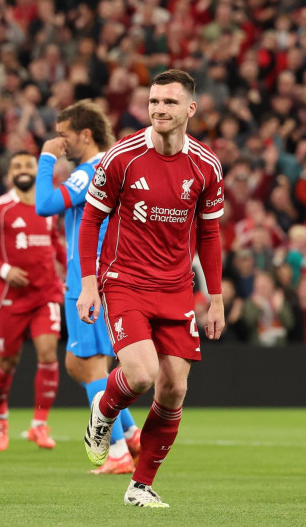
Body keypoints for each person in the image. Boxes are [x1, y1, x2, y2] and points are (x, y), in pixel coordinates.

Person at [77, 70, 225, 507]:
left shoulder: (206, 166)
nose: (159, 109)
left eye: (170, 103)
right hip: (126, 282)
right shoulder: (121, 157)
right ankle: (104, 412)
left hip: (177, 288)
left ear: (190, 109)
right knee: (141, 374)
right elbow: (91, 221)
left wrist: (214, 297)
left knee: (174, 389)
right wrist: (89, 286)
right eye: (154, 101)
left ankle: (140, 486)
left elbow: (210, 235)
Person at [35, 100, 140, 475]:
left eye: (63, 135)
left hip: (88, 281)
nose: (59, 142)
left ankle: (116, 451)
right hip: (92, 277)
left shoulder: (89, 171)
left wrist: (46, 158)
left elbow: (44, 204)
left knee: (91, 363)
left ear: (85, 134)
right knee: (77, 363)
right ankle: (130, 434)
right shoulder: (107, 166)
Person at [0, 151, 65, 451]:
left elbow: (54, 243)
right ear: (9, 174)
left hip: (46, 293)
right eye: (17, 166)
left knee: (48, 354)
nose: (24, 170)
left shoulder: (48, 206)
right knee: (7, 361)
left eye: (28, 165)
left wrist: (69, 272)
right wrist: (4, 269)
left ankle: (39, 423)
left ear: (38, 171)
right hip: (11, 297)